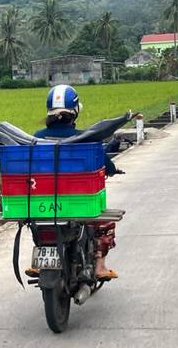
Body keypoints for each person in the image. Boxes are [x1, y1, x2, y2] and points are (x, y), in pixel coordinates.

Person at [31, 84, 121, 280]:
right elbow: (107, 165)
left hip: (44, 205)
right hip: (78, 204)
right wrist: (113, 170)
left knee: (41, 225)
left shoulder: (36, 138)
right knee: (105, 223)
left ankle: (42, 261)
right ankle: (99, 266)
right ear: (75, 111)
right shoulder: (85, 138)